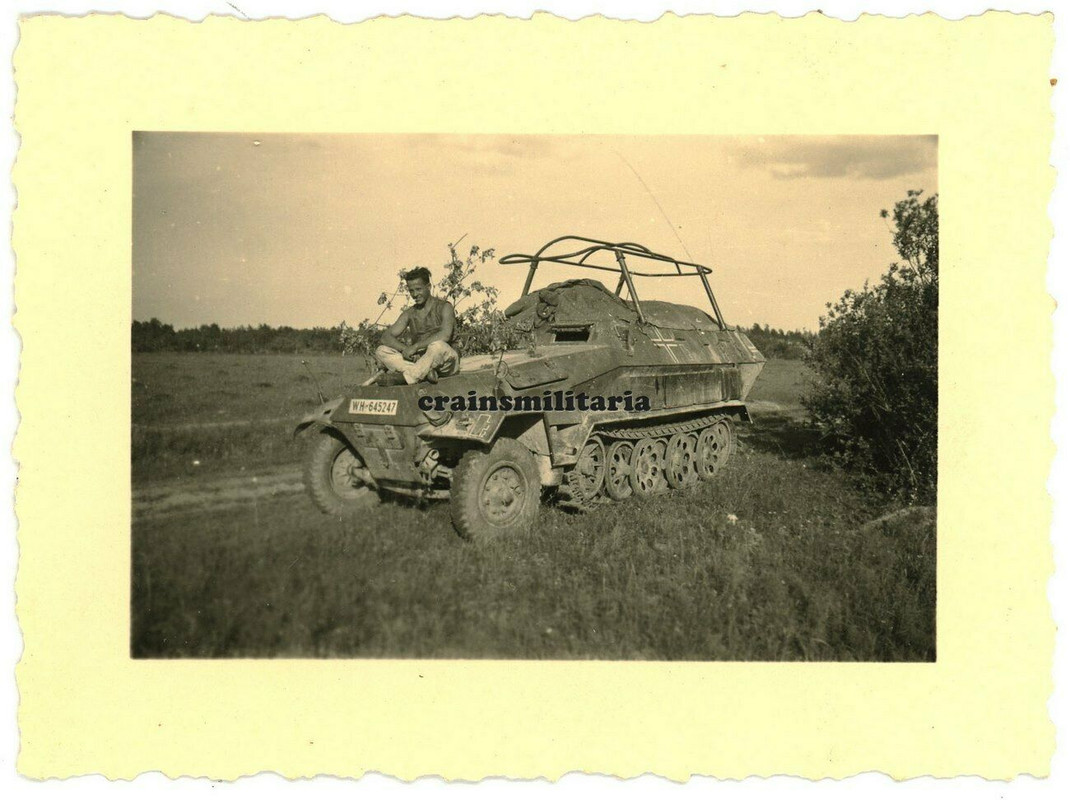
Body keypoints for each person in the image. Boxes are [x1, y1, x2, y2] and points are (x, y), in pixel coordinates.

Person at [373, 267, 459, 385]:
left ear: (428, 287)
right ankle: (424, 374)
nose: (415, 294)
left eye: (418, 289)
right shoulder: (409, 313)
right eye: (411, 291)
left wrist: (416, 346)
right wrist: (405, 349)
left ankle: (405, 378)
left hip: (445, 363)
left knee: (437, 346)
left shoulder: (445, 307)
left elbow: (445, 335)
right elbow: (386, 337)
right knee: (381, 351)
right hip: (419, 363)